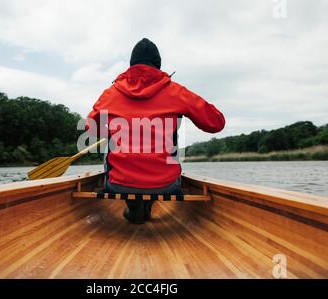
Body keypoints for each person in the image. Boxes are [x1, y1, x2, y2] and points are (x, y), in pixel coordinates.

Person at [86, 38, 225, 224]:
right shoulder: (176, 92)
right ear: (158, 67)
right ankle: (148, 200)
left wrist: (114, 131)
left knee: (110, 146)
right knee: (169, 143)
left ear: (130, 66)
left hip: (118, 184)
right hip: (166, 185)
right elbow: (216, 123)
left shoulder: (111, 94)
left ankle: (134, 205)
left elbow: (90, 128)